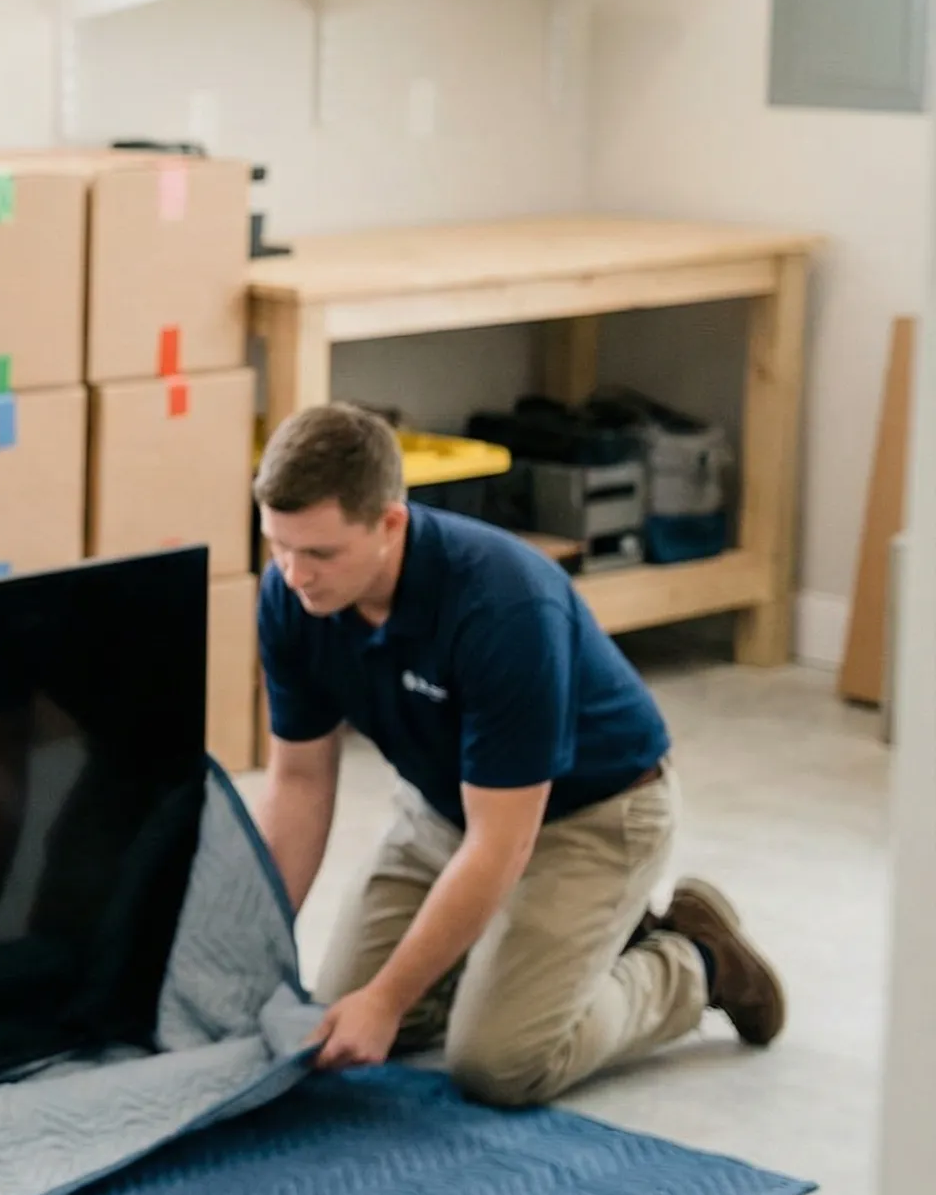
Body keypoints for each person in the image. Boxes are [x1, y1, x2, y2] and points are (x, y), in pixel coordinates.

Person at [252, 403, 786, 1108]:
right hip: (446, 812)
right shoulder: (292, 599)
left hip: (593, 818)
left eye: (320, 553)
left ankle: (694, 960)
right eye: (278, 547)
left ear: (389, 523)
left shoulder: (503, 607)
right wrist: (252, 954)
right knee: (339, 1016)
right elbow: (297, 783)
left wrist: (386, 997)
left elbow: (504, 843)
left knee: (499, 1062)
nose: (295, 575)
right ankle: (529, 956)